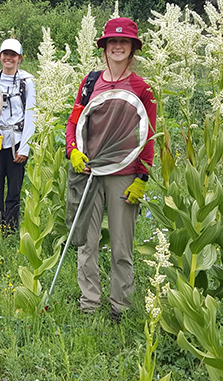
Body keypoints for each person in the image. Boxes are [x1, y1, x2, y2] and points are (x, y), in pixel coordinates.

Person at [65, 17, 156, 322]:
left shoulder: (143, 88)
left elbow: (148, 136)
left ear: (132, 49)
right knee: (87, 243)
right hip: (89, 172)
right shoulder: (90, 82)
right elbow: (74, 122)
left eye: (124, 42)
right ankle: (89, 302)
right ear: (104, 47)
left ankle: (120, 306)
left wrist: (142, 177)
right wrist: (73, 151)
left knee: (121, 247)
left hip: (124, 175)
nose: (118, 46)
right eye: (112, 42)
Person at [0, 39, 36, 239]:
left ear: (20, 58)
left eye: (13, 55)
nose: (9, 58)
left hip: (17, 143)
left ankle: (10, 230)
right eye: (5, 54)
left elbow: (31, 115)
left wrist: (25, 148)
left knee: (14, 189)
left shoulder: (27, 82)